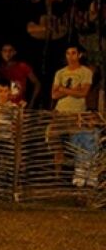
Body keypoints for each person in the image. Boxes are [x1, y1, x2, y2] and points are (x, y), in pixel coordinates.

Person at [51, 44, 95, 187]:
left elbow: (83, 93)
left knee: (77, 146)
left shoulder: (86, 72)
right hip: (60, 112)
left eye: (73, 53)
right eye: (68, 53)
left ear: (79, 55)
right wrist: (70, 90)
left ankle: (79, 178)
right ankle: (57, 177)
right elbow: (54, 94)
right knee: (57, 144)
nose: (70, 56)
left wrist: (63, 89)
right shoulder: (60, 73)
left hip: (76, 114)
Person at [0, 43, 40, 108]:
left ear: (15, 52)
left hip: (19, 106)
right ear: (1, 53)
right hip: (3, 106)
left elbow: (37, 84)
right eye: (5, 51)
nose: (7, 54)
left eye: (10, 51)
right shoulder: (0, 68)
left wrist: (32, 102)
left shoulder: (23, 66)